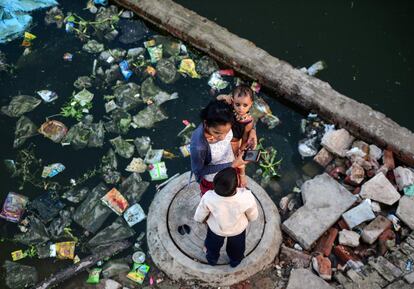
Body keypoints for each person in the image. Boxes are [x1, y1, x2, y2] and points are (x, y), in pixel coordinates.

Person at [194, 167, 258, 267]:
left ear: (214, 184)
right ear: (236, 185)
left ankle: (212, 260)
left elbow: (200, 213)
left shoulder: (208, 196)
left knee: (212, 246)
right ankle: (235, 261)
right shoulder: (246, 196)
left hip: (216, 229)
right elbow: (253, 215)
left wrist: (200, 219)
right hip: (238, 230)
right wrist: (250, 218)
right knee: (237, 248)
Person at [190, 100, 248, 194]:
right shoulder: (199, 146)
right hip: (214, 180)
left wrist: (252, 132)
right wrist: (232, 164)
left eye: (227, 131)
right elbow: (199, 170)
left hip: (231, 169)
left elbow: (246, 114)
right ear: (206, 123)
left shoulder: (227, 119)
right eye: (217, 132)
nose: (222, 137)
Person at [217, 85, 256, 154]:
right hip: (223, 136)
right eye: (237, 104)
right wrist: (224, 97)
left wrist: (241, 150)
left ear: (251, 104)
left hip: (234, 141)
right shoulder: (231, 108)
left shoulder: (248, 121)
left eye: (245, 105)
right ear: (232, 101)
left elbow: (245, 138)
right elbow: (218, 99)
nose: (241, 109)